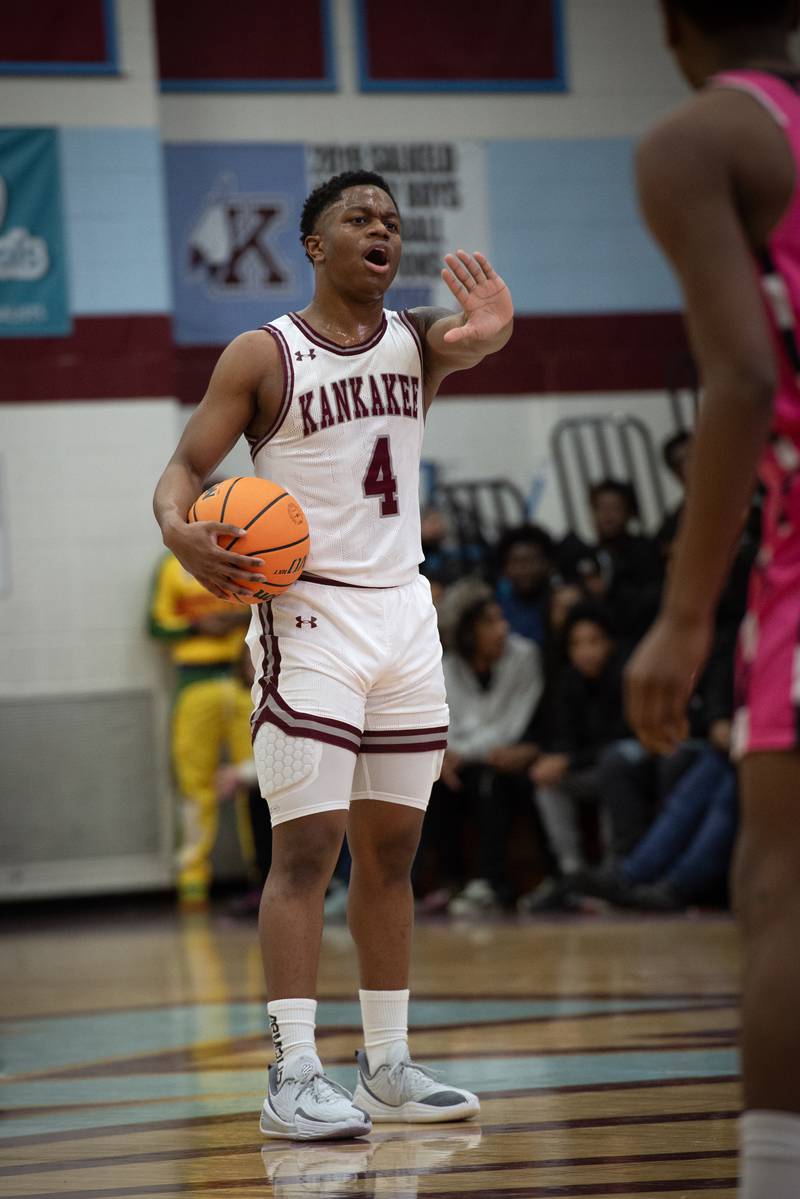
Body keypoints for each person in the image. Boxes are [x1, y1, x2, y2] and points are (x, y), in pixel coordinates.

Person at [153, 170, 513, 1140]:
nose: (379, 231)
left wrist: (493, 328)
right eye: (358, 219)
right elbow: (186, 469)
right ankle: (291, 1074)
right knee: (304, 849)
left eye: (390, 222)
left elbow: (473, 337)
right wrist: (178, 529)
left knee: (391, 852)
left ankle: (385, 1063)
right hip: (305, 617)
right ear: (313, 246)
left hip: (404, 612)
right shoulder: (262, 352)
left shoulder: (415, 337)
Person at [623, 4, 800, 1196]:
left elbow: (739, 372)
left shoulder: (697, 138)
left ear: (668, 18)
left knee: (779, 887)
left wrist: (684, 613)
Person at [421, 581, 543, 914]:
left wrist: (458, 752)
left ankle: (491, 883)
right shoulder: (448, 666)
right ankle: (450, 882)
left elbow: (512, 727)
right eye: (489, 622)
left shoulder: (525, 656)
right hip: (466, 762)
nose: (502, 628)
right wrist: (447, 755)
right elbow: (446, 723)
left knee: (491, 784)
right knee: (435, 781)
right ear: (467, 631)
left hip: (512, 760)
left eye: (501, 619)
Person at [148, 549, 252, 908]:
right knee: (195, 784)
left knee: (258, 782)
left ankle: (266, 876)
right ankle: (193, 881)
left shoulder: (247, 555)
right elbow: (156, 625)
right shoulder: (171, 566)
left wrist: (237, 619)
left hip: (246, 681)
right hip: (196, 681)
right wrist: (197, 626)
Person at [557, 479, 663, 646]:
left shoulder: (645, 551)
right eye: (600, 508)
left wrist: (611, 590)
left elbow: (654, 599)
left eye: (615, 508)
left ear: (629, 513)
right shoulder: (585, 555)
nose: (607, 515)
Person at [494, 523, 555, 648]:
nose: (524, 570)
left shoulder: (559, 606)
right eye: (516, 562)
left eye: (531, 560)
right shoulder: (497, 612)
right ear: (505, 569)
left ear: (547, 564)